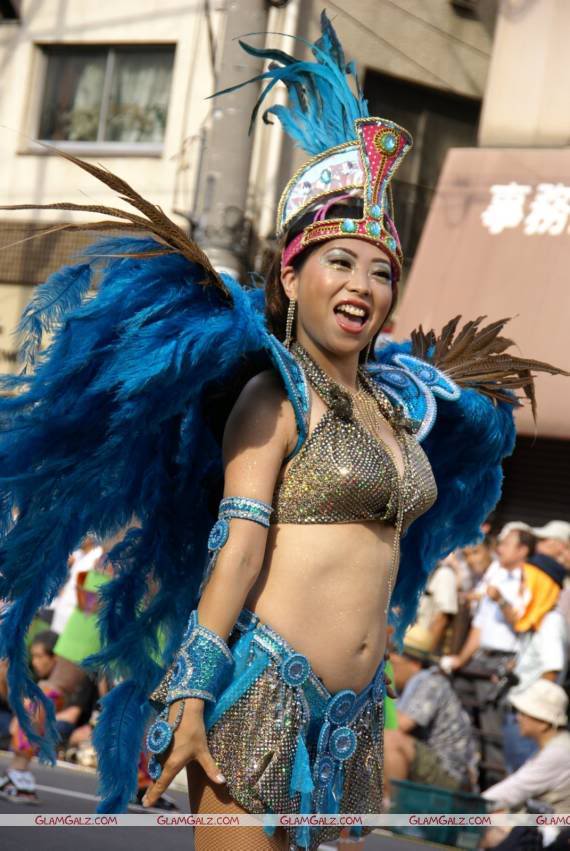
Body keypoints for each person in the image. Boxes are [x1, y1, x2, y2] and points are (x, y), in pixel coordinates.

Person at [0, 13, 565, 851]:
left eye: (382, 271)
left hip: (354, 713)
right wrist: (192, 691)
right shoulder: (274, 394)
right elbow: (237, 549)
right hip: (264, 691)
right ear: (291, 276)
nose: (363, 284)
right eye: (340, 261)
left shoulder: (397, 404)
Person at [384, 627, 477, 797]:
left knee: (390, 740)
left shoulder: (431, 682)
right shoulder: (407, 687)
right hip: (430, 763)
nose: (388, 668)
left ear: (415, 663)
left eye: (393, 663)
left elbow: (398, 726)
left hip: (451, 774)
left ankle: (391, 806)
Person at [481, 680, 570, 850]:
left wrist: (466, 807)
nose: (518, 718)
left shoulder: (558, 753)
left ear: (543, 723)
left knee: (486, 826)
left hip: (553, 831)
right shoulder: (556, 747)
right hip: (544, 822)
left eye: (525, 713)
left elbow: (509, 792)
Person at [503, 555, 568, 773]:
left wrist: (533, 710)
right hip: (522, 714)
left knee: (523, 777)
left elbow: (552, 670)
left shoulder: (551, 623)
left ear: (539, 583)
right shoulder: (538, 619)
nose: (521, 586)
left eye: (525, 580)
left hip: (530, 718)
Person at [413, 559, 459, 654]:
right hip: (410, 642)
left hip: (420, 646)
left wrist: (424, 652)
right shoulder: (421, 571)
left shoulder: (444, 574)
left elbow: (442, 618)